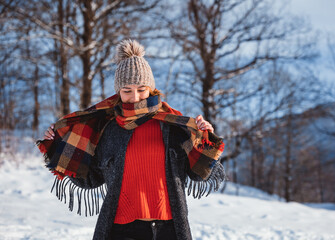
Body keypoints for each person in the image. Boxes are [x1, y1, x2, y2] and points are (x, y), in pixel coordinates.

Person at [38, 39, 225, 240]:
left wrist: (207, 139)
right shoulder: (108, 129)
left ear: (152, 89)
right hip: (121, 230)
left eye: (141, 89)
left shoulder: (173, 126)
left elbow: (199, 174)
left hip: (169, 229)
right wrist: (58, 145)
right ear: (118, 92)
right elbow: (90, 178)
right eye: (127, 90)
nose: (134, 97)